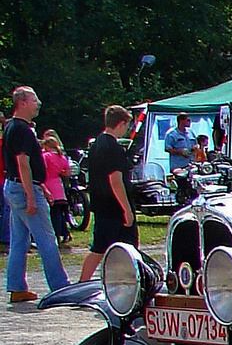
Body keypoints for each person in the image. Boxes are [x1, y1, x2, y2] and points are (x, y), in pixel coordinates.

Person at [3, 86, 69, 302]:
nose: (38, 103)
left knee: (20, 241)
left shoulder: (10, 126)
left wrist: (40, 186)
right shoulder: (21, 129)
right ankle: (60, 287)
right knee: (47, 240)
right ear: (22, 102)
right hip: (23, 189)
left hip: (14, 187)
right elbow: (23, 163)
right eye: (34, 100)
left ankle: (16, 287)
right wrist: (31, 196)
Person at [79, 105, 137, 283]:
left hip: (101, 204)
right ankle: (125, 282)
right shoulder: (114, 148)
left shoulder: (96, 145)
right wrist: (126, 209)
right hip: (115, 207)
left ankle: (83, 282)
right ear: (121, 124)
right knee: (128, 249)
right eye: (126, 125)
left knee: (99, 247)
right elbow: (115, 180)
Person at [40, 131, 73, 248]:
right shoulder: (62, 157)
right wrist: (60, 171)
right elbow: (67, 172)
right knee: (61, 213)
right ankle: (65, 233)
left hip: (48, 184)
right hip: (58, 185)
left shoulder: (45, 156)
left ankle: (56, 235)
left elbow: (42, 170)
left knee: (53, 214)